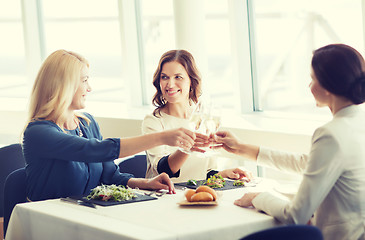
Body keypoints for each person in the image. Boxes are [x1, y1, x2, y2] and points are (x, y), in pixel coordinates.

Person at [213, 44, 365, 240]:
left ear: (328, 86)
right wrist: (241, 148)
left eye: (312, 79)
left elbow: (296, 216)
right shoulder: (356, 124)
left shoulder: (331, 133)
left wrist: (259, 198)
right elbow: (306, 163)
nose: (309, 86)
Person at [22, 49, 198, 201]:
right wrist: (162, 137)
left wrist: (146, 183)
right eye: (84, 81)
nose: (89, 88)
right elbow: (94, 150)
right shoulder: (38, 132)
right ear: (64, 86)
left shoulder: (87, 124)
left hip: (85, 214)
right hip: (51, 220)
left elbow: (110, 175)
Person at [142, 49, 252, 183]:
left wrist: (226, 173)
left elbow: (206, 172)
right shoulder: (153, 122)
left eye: (178, 77)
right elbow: (162, 171)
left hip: (194, 196)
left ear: (191, 81)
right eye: (164, 77)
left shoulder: (203, 119)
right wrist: (187, 148)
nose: (170, 84)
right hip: (163, 196)